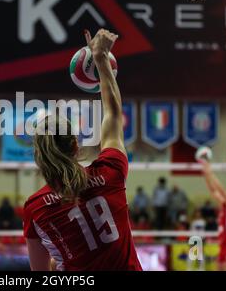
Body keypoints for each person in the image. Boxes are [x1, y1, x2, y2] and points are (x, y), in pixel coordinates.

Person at [23, 29, 142, 271]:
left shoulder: (35, 208)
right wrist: (101, 59)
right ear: (76, 146)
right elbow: (113, 114)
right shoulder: (109, 173)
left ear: (40, 157)